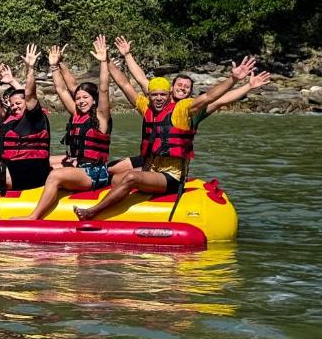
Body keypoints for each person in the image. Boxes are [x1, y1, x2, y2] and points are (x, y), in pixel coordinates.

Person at [75, 55, 257, 220]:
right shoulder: (146, 107)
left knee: (130, 177)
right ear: (149, 96)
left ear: (169, 94)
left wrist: (233, 79)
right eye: (155, 95)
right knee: (115, 177)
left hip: (172, 176)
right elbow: (126, 85)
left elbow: (210, 97)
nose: (159, 98)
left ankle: (93, 212)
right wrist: (106, 61)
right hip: (150, 169)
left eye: (163, 95)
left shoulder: (183, 109)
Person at [14, 37, 113, 220]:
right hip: (80, 167)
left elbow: (104, 88)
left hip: (95, 173)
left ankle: (33, 216)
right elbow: (61, 90)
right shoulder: (77, 114)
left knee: (55, 176)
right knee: (44, 164)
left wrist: (103, 62)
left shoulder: (101, 118)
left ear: (94, 100)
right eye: (79, 98)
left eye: (86, 98)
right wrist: (54, 67)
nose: (81, 101)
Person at [0, 45, 51, 219]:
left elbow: (29, 94)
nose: (14, 107)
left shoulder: (34, 118)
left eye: (18, 104)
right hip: (21, 169)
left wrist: (30, 68)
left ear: (27, 105)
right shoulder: (10, 120)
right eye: (12, 104)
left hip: (30, 174)